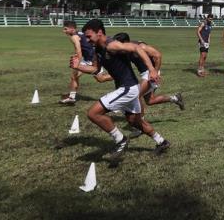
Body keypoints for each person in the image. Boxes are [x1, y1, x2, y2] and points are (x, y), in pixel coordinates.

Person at [70, 19, 170, 157]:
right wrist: (78, 66)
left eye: (89, 36)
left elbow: (137, 48)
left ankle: (120, 140)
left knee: (93, 113)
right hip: (127, 88)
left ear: (99, 32)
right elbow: (95, 68)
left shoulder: (111, 45)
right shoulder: (97, 49)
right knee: (134, 121)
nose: (87, 40)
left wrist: (152, 69)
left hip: (128, 88)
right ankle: (162, 141)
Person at [60, 20, 96, 105]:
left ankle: (117, 76)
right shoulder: (80, 33)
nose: (64, 31)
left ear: (72, 28)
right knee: (74, 76)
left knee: (101, 78)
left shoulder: (74, 37)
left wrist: (77, 64)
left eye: (65, 29)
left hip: (91, 59)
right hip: (89, 57)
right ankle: (72, 97)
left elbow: (79, 50)